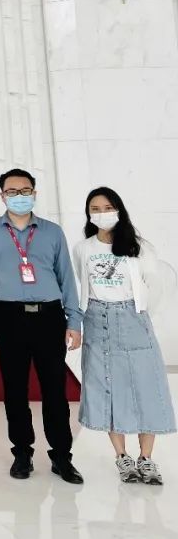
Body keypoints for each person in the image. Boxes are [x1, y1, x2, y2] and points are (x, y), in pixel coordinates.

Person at [0, 168, 84, 484]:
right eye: (12, 191)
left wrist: (74, 320)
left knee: (54, 389)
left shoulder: (52, 232)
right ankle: (22, 453)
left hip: (49, 316)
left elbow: (67, 277)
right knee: (15, 389)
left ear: (34, 194)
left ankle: (61, 456)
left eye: (25, 191)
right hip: (8, 316)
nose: (19, 196)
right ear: (2, 196)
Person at [73, 187, 175, 485]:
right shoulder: (83, 248)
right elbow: (83, 283)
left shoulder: (139, 247)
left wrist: (138, 312)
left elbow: (154, 285)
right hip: (96, 319)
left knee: (146, 385)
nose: (102, 213)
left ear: (118, 209)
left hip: (133, 317)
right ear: (88, 214)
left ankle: (146, 458)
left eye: (107, 207)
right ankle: (122, 457)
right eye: (95, 209)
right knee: (107, 387)